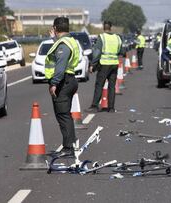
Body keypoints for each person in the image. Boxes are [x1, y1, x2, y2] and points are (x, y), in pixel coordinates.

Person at [45, 17, 79, 157]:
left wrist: (54, 83)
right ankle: (70, 145)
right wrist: (54, 39)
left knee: (63, 116)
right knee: (66, 115)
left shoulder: (64, 44)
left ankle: (68, 148)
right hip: (69, 80)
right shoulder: (69, 41)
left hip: (63, 82)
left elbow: (60, 65)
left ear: (56, 28)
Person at [87, 21, 122, 113]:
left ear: (103, 27)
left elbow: (97, 52)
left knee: (99, 85)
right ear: (111, 27)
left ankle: (94, 106)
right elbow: (121, 51)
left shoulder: (102, 37)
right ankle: (111, 108)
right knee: (112, 86)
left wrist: (93, 65)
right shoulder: (117, 37)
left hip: (104, 64)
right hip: (114, 64)